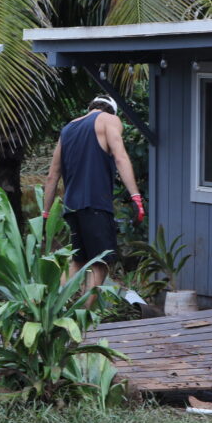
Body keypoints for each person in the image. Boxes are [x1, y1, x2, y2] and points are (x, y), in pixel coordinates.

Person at [43, 95, 144, 302]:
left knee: (78, 261)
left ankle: (55, 310)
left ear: (90, 107)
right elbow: (120, 156)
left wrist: (45, 213)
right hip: (95, 204)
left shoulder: (68, 129)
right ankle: (84, 318)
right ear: (112, 111)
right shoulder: (109, 120)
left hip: (72, 207)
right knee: (101, 263)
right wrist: (136, 196)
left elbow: (52, 175)